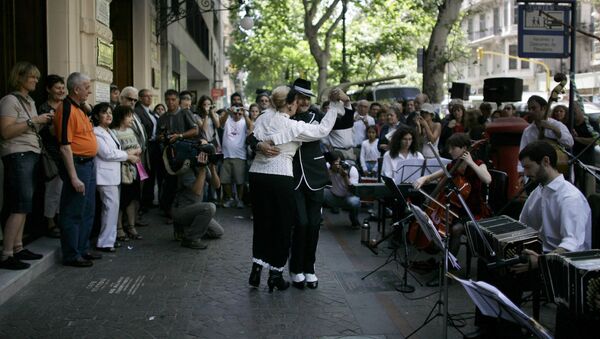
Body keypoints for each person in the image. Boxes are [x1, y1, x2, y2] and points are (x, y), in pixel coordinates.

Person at [247, 86, 346, 292]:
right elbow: (323, 130)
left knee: (262, 223)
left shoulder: (263, 117)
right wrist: (335, 106)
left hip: (256, 175)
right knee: (282, 227)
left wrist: (258, 145)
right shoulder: (292, 125)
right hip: (280, 176)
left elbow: (252, 137)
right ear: (291, 104)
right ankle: (275, 274)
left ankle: (256, 269)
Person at [0, 62, 53, 270]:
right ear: (20, 77)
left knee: (26, 204)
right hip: (17, 155)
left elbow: (29, 128)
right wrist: (34, 121)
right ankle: (6, 254)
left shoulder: (29, 101)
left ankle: (18, 247)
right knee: (19, 204)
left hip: (30, 154)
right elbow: (5, 132)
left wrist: (42, 122)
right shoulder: (9, 100)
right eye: (32, 77)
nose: (36, 81)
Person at [413, 133, 491, 256]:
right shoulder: (453, 165)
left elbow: (487, 179)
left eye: (453, 148)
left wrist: (471, 163)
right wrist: (422, 179)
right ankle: (442, 259)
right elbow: (431, 177)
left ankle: (451, 265)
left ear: (465, 148)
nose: (449, 151)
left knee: (456, 229)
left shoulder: (479, 163)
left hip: (473, 211)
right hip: (455, 210)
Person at [54, 72, 99, 267]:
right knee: (73, 211)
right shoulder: (65, 109)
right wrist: (73, 177)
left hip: (88, 164)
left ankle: (82, 248)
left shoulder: (79, 107)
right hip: (78, 165)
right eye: (87, 87)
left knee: (88, 210)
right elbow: (65, 146)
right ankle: (72, 254)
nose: (89, 91)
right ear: (76, 89)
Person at [92, 103, 140, 252]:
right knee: (110, 208)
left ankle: (109, 240)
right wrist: (128, 156)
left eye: (110, 113)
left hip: (114, 175)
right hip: (104, 176)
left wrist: (129, 154)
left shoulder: (109, 132)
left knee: (112, 208)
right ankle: (105, 242)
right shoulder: (96, 132)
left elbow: (116, 150)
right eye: (104, 113)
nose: (108, 115)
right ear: (96, 116)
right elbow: (107, 153)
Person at [157, 89, 199, 221]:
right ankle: (169, 212)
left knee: (183, 184)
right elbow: (158, 135)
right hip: (168, 156)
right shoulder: (162, 117)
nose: (170, 102)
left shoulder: (185, 113)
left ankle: (183, 211)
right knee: (169, 184)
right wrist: (161, 137)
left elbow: (195, 130)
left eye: (173, 100)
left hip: (184, 154)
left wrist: (180, 135)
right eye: (168, 100)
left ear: (178, 101)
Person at [172, 152, 224, 250]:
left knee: (218, 232)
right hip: (181, 210)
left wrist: (212, 167)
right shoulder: (187, 169)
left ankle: (187, 230)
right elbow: (197, 191)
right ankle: (190, 239)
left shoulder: (204, 168)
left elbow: (216, 185)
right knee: (209, 207)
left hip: (195, 210)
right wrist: (202, 170)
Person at [38, 74, 66, 238]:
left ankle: (60, 219)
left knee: (63, 190)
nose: (61, 91)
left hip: (67, 153)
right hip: (52, 154)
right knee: (53, 189)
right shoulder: (43, 109)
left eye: (63, 88)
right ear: (48, 89)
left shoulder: (66, 105)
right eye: (57, 88)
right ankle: (50, 222)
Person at [111, 105, 144, 241]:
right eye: (129, 116)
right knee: (121, 199)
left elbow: (139, 147)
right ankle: (119, 228)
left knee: (132, 199)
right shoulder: (113, 132)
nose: (132, 119)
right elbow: (117, 153)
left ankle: (131, 226)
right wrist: (130, 153)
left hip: (134, 169)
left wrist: (135, 152)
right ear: (121, 117)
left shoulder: (131, 131)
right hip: (121, 171)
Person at [219, 103, 253, 208]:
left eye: (239, 112)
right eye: (235, 112)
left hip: (240, 155)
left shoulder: (244, 121)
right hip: (226, 155)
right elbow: (220, 123)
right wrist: (227, 111)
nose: (237, 114)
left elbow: (251, 127)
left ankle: (239, 200)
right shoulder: (228, 119)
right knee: (225, 180)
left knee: (240, 181)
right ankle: (230, 198)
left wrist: (245, 114)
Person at [323, 151, 362, 229]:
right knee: (318, 193)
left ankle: (354, 220)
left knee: (355, 201)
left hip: (348, 198)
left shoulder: (352, 169)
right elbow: (321, 181)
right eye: (334, 164)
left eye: (338, 163)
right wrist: (330, 173)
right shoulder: (328, 167)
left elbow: (353, 191)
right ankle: (317, 219)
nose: (337, 166)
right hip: (333, 196)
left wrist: (345, 177)